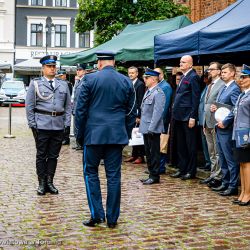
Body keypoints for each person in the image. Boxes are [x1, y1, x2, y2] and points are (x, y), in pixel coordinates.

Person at [75, 50, 136, 228]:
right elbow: (132, 111)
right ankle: (112, 218)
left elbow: (80, 110)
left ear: (99, 63)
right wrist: (125, 132)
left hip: (93, 135)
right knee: (114, 176)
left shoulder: (90, 79)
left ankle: (97, 215)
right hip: (116, 136)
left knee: (91, 173)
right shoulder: (125, 81)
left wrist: (80, 135)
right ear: (114, 62)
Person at [25, 55, 71, 195]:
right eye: (49, 67)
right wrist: (33, 125)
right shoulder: (36, 84)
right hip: (42, 125)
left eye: (54, 66)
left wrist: (66, 124)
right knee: (41, 155)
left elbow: (68, 106)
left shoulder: (63, 84)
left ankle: (50, 182)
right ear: (43, 68)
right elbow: (29, 106)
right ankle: (41, 183)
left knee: (53, 156)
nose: (52, 69)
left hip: (58, 125)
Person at [210, 63, 241, 196]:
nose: (223, 74)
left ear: (233, 73)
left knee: (229, 158)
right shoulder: (223, 87)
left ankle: (233, 185)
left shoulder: (234, 88)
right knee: (222, 156)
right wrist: (214, 108)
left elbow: (236, 108)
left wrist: (226, 121)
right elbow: (221, 105)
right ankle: (225, 182)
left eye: (225, 72)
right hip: (219, 127)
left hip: (227, 128)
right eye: (222, 72)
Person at [170, 55, 201, 180]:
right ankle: (182, 169)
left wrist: (193, 117)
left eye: (183, 62)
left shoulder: (193, 77)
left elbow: (195, 98)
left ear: (190, 64)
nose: (180, 64)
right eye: (180, 62)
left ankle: (191, 171)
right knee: (181, 145)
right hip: (178, 116)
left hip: (188, 117)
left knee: (190, 145)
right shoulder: (183, 77)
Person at [139, 68, 165, 185]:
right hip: (146, 127)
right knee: (148, 153)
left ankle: (155, 175)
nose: (145, 79)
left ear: (154, 79)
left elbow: (157, 112)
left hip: (152, 129)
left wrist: (152, 128)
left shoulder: (158, 93)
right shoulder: (149, 91)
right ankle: (151, 173)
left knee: (154, 153)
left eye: (147, 77)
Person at [201, 62, 225, 187]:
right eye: (209, 69)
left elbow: (223, 103)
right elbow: (205, 105)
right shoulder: (210, 85)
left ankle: (218, 176)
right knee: (211, 151)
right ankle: (212, 174)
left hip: (216, 122)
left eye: (212, 69)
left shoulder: (222, 85)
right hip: (207, 122)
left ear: (219, 71)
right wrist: (204, 122)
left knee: (217, 151)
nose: (209, 71)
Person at [232, 64, 250, 205]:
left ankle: (248, 194)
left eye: (245, 77)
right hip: (238, 133)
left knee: (247, 164)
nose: (241, 79)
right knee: (241, 163)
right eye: (241, 77)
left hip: (246, 134)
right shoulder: (243, 94)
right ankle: (243, 191)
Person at [124, 66, 145, 164]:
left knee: (138, 134)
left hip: (136, 112)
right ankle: (134, 154)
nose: (131, 74)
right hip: (130, 112)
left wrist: (139, 116)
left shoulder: (140, 84)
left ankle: (140, 156)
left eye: (133, 73)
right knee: (132, 134)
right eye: (129, 73)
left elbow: (140, 100)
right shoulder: (128, 83)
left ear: (137, 74)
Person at [154, 68, 173, 174]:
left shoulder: (165, 87)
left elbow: (164, 106)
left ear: (161, 75)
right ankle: (156, 166)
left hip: (161, 120)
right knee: (156, 144)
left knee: (162, 143)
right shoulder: (157, 85)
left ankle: (160, 167)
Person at [198, 70, 212, 173]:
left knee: (210, 144)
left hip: (208, 120)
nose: (204, 79)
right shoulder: (204, 89)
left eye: (206, 77)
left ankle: (210, 163)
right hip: (202, 120)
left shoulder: (210, 88)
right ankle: (207, 162)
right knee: (204, 143)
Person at [72, 63, 87, 150]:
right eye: (77, 70)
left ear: (84, 71)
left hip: (81, 110)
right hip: (76, 108)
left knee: (80, 127)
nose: (78, 71)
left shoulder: (85, 81)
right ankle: (79, 144)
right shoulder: (79, 81)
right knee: (76, 127)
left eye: (80, 70)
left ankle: (81, 144)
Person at [57, 69, 73, 145]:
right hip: (60, 105)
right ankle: (61, 137)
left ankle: (66, 138)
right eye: (59, 75)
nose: (60, 77)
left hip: (65, 104)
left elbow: (68, 95)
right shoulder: (59, 83)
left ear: (65, 76)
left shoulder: (68, 84)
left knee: (66, 121)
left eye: (61, 75)